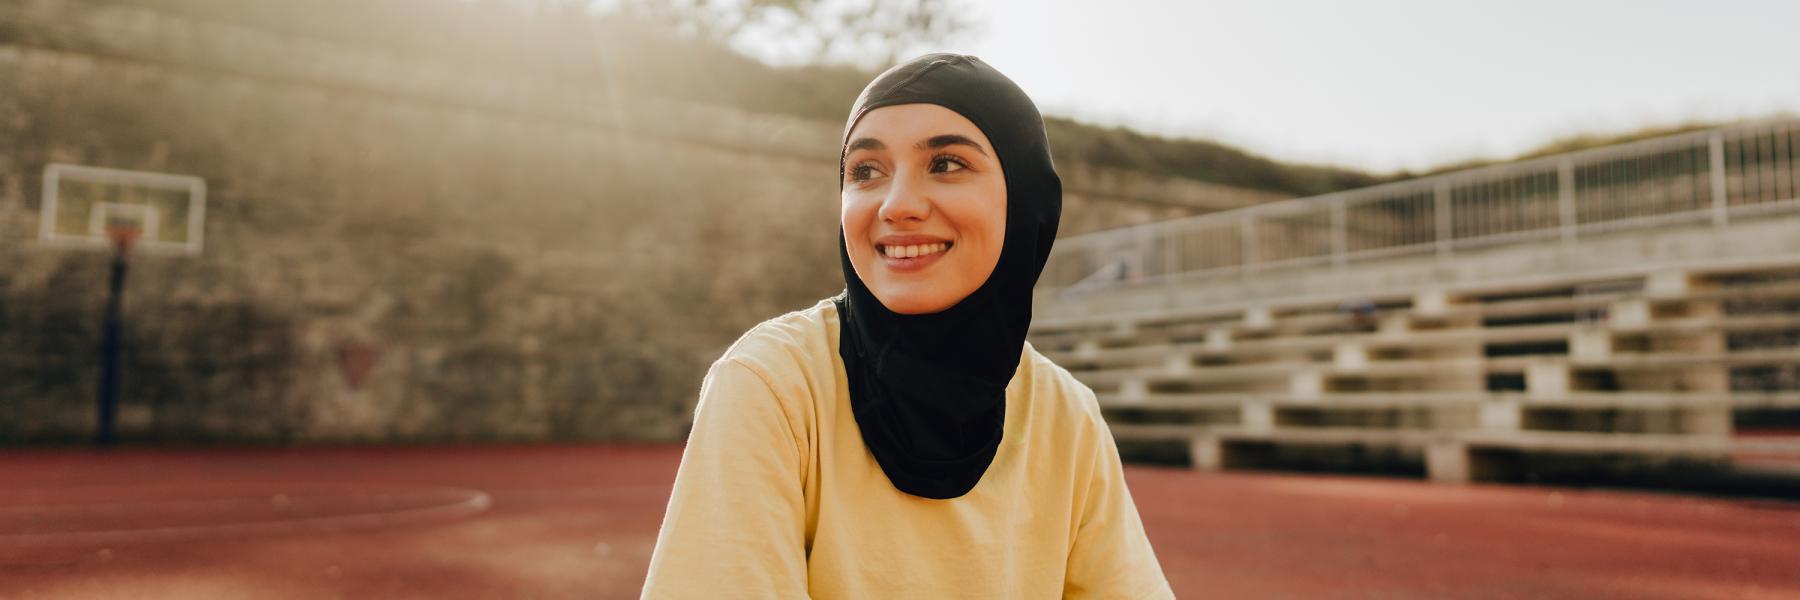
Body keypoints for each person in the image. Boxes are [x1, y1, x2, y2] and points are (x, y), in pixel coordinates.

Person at [641, 53, 1173, 599]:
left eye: (945, 164)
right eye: (866, 171)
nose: (897, 206)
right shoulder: (773, 384)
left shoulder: (1066, 412)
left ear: (1026, 199)